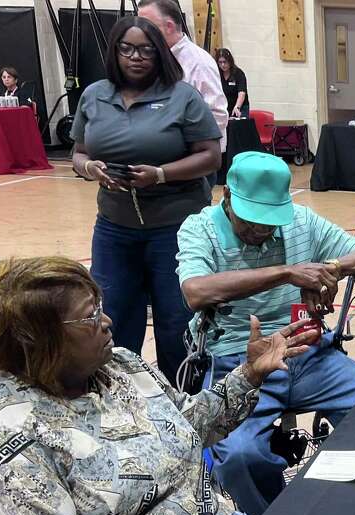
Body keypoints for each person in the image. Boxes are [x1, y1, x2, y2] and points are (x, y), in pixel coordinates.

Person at [0, 256, 319, 515]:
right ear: (38, 342)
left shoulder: (120, 364)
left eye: (99, 306)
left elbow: (191, 424)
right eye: (88, 317)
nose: (106, 320)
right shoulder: (12, 436)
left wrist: (250, 373)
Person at [175, 151, 355, 515]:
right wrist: (286, 273)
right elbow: (195, 292)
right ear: (227, 196)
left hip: (308, 352)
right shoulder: (201, 229)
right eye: (253, 221)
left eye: (269, 221)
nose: (262, 230)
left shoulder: (301, 222)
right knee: (239, 457)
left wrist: (329, 269)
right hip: (239, 362)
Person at [70, 16, 222, 383]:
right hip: (114, 229)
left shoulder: (182, 96)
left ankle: (184, 406)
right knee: (113, 318)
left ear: (160, 54)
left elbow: (211, 156)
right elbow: (77, 152)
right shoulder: (94, 95)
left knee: (176, 324)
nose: (135, 57)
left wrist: (160, 174)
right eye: (127, 49)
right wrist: (91, 168)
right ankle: (124, 400)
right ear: (115, 52)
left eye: (146, 50)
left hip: (175, 228)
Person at [139, 0, 228, 156]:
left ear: (169, 27)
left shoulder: (199, 62)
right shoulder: (154, 59)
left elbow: (217, 116)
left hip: (191, 161)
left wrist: (182, 149)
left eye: (147, 26)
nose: (141, 32)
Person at [215, 47, 249, 118]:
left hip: (240, 106)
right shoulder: (217, 74)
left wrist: (237, 107)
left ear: (230, 61)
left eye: (225, 62)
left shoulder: (238, 73)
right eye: (220, 62)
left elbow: (242, 93)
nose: (223, 65)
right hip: (225, 107)